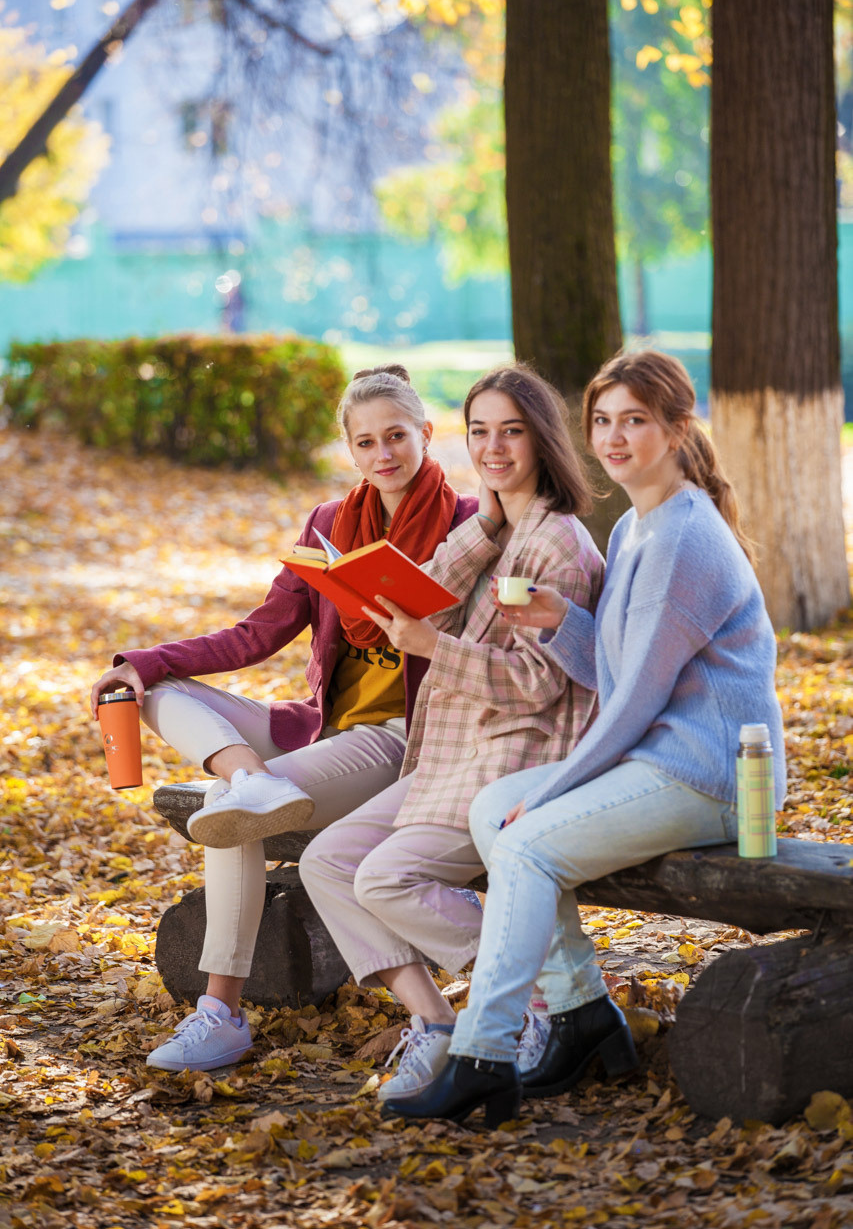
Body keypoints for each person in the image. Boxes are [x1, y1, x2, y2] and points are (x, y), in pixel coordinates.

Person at [381, 348, 787, 1128]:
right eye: (601, 420)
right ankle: (578, 1014)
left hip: (708, 777)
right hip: (658, 760)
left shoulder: (679, 539)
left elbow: (632, 699)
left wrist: (551, 789)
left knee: (525, 838)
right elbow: (617, 663)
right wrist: (563, 623)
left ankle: (482, 1056)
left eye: (634, 420)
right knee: (489, 810)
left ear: (674, 429)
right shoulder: (641, 522)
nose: (613, 436)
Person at [89, 366, 477, 1072]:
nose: (383, 453)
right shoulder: (328, 525)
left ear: (425, 434)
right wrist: (144, 660)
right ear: (350, 451)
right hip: (321, 729)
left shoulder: (469, 525)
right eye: (365, 442)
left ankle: (221, 1012)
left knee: (227, 810)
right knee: (158, 694)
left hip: (398, 740)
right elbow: (255, 634)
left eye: (396, 436)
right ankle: (247, 776)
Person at [299, 362, 605, 1105]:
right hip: (447, 757)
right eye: (480, 432)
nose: (494, 447)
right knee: (326, 860)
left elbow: (539, 684)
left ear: (541, 440)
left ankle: (544, 998)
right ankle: (434, 1025)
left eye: (511, 432)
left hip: (510, 762)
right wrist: (487, 526)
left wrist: (432, 649)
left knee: (383, 876)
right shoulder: (496, 529)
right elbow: (429, 594)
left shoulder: (556, 545)